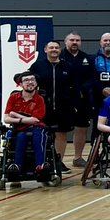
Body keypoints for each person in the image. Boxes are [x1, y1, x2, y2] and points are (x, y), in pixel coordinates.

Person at [30, 41, 75, 173]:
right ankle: (43, 162)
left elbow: (74, 87)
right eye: (51, 47)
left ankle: (58, 162)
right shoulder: (37, 66)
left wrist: (73, 104)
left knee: (61, 134)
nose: (54, 50)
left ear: (60, 50)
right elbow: (29, 83)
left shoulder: (67, 66)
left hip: (64, 106)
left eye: (56, 48)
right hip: (43, 107)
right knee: (43, 134)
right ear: (45, 50)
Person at [2, 71, 49, 179]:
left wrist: (15, 115)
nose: (30, 82)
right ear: (20, 84)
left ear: (36, 83)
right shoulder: (14, 97)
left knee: (39, 137)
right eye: (26, 80)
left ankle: (40, 166)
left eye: (32, 80)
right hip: (20, 129)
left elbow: (35, 120)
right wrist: (22, 120)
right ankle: (17, 166)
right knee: (20, 137)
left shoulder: (39, 99)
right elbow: (6, 118)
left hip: (38, 127)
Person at [60, 32, 94, 167]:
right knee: (60, 130)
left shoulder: (87, 58)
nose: (75, 42)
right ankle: (59, 161)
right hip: (64, 99)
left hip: (82, 99)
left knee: (81, 128)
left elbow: (92, 78)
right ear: (65, 41)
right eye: (72, 40)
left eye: (77, 40)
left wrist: (81, 90)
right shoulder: (59, 57)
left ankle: (78, 158)